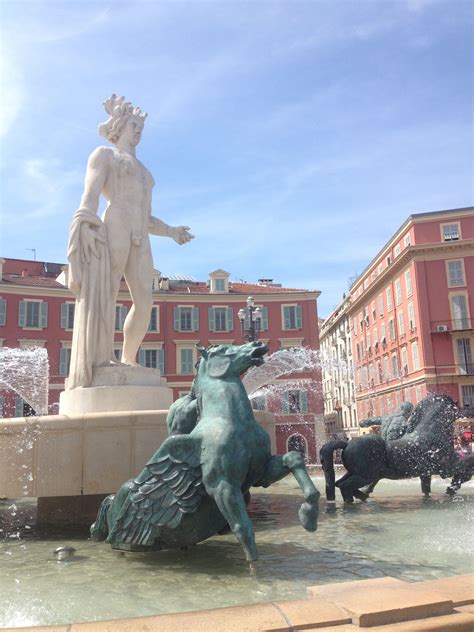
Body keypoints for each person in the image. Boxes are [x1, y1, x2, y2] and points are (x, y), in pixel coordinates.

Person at [67, 95, 194, 388]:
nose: (138, 131)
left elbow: (148, 217)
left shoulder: (146, 174)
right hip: (116, 224)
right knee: (107, 290)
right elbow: (91, 195)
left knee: (145, 299)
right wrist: (84, 221)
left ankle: (128, 358)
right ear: (120, 126)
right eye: (134, 125)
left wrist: (172, 231)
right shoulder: (104, 155)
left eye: (141, 127)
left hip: (140, 233)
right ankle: (103, 357)